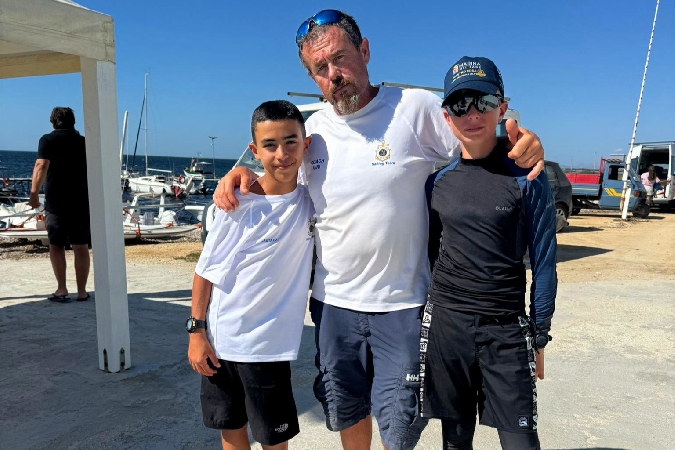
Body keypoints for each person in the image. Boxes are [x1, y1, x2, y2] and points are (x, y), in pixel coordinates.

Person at [214, 10, 545, 450]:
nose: (334, 74)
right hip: (333, 304)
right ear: (312, 77)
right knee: (348, 409)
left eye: (340, 58)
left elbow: (475, 139)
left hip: (403, 304)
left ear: (365, 50)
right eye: (320, 68)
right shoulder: (311, 134)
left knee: (400, 425)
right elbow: (278, 179)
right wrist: (241, 178)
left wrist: (519, 143)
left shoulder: (413, 108)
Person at [421, 56, 557, 450]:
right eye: (459, 104)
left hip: (506, 329)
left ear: (502, 107)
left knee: (521, 442)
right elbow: (432, 256)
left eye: (483, 101)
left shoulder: (529, 178)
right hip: (447, 326)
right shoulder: (436, 183)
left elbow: (544, 262)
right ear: (447, 117)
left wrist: (540, 333)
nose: (472, 114)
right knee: (454, 441)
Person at [187, 100, 314, 450]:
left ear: (306, 144)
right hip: (222, 341)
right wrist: (196, 332)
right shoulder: (238, 205)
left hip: (268, 347)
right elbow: (205, 272)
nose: (281, 154)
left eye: (290, 142)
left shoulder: (311, 199)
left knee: (274, 439)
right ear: (254, 151)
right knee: (231, 429)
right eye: (269, 145)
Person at [29, 107, 91, 303]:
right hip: (81, 200)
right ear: (73, 122)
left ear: (53, 122)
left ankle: (62, 288)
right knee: (80, 246)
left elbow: (41, 165)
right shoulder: (84, 142)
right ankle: (82, 291)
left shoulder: (47, 140)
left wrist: (34, 194)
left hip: (57, 200)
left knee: (56, 245)